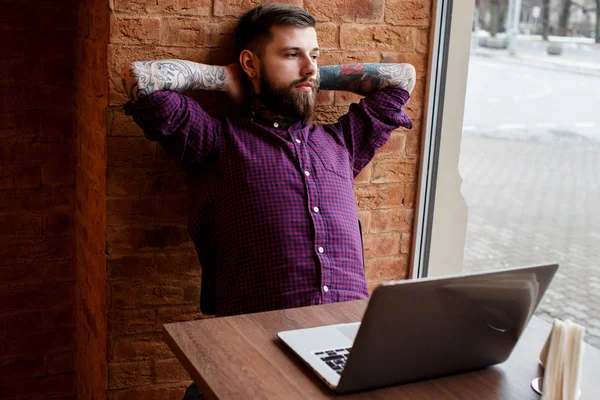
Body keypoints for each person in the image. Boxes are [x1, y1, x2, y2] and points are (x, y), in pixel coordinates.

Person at [121, 4, 415, 398]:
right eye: (292, 54)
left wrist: (307, 75)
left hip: (352, 347)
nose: (309, 67)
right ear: (250, 62)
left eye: (315, 54)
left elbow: (402, 79)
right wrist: (230, 78)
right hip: (261, 351)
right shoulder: (215, 141)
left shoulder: (342, 142)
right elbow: (140, 78)